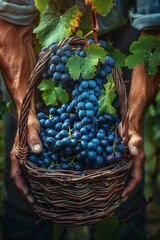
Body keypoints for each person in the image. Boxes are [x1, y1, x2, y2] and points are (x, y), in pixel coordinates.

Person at [0, 0, 160, 240]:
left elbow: (154, 30)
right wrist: (27, 115)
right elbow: (10, 26)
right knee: (27, 185)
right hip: (41, 42)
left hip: (125, 30)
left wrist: (133, 122)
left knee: (121, 181)